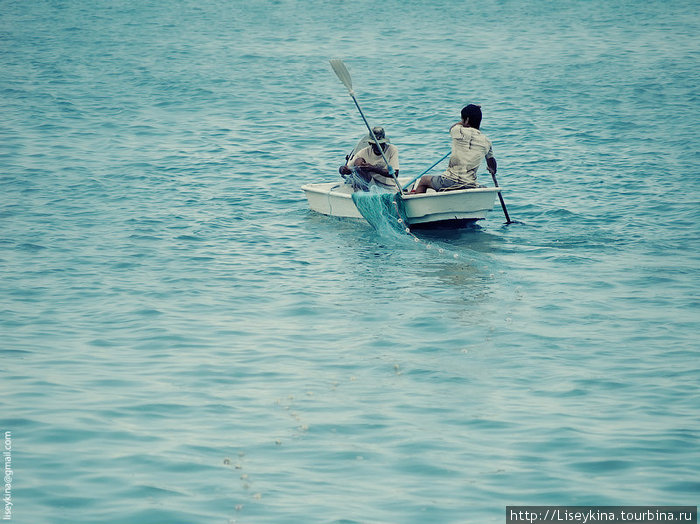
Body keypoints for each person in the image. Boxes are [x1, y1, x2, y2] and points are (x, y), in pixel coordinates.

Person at [413, 104, 497, 194]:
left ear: (467, 120)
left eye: (462, 118)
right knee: (484, 187)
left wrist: (466, 117)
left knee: (423, 180)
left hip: (449, 181)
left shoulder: (457, 131)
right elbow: (492, 164)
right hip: (470, 184)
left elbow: (453, 126)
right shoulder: (486, 142)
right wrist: (492, 169)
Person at [339, 126, 400, 191]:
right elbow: (348, 168)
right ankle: (364, 192)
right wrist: (342, 169)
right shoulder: (364, 152)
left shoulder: (392, 149)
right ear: (370, 143)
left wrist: (373, 168)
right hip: (371, 184)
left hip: (387, 186)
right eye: (375, 144)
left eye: (381, 143)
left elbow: (395, 173)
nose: (378, 146)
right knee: (358, 161)